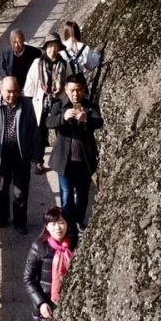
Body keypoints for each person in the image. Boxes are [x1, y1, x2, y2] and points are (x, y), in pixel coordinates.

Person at [0, 76, 40, 233]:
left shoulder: (26, 104)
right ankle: (2, 218)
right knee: (1, 189)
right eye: (8, 91)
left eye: (15, 91)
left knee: (21, 191)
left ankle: (20, 222)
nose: (12, 95)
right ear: (1, 90)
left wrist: (38, 156)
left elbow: (34, 131)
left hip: (21, 154)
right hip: (1, 154)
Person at [45, 73, 101, 244]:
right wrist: (63, 117)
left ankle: (79, 222)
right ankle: (68, 227)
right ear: (66, 90)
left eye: (79, 90)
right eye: (72, 90)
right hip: (65, 162)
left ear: (83, 90)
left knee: (83, 196)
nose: (75, 94)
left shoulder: (90, 106)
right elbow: (48, 122)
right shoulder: (59, 105)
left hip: (84, 161)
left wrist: (86, 120)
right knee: (67, 195)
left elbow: (99, 122)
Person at [24, 206, 73, 321]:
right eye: (53, 224)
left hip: (69, 303)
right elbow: (28, 278)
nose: (58, 227)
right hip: (48, 303)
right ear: (46, 226)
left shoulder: (74, 244)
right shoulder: (39, 247)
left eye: (61, 222)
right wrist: (41, 303)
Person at [23, 32, 68, 172]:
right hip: (41, 101)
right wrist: (28, 102)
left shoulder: (64, 64)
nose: (52, 49)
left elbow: (69, 82)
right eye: (50, 46)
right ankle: (38, 161)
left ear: (59, 48)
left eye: (55, 46)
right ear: (46, 47)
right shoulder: (37, 63)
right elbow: (30, 84)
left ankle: (62, 160)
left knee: (61, 130)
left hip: (58, 100)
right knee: (40, 132)